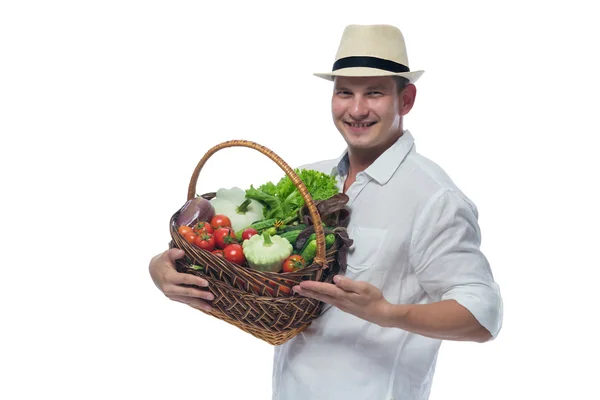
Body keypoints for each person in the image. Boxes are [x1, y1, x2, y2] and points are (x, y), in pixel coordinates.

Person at [149, 24, 503, 400]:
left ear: (406, 100)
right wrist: (166, 267)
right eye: (344, 92)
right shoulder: (309, 178)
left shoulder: (434, 198)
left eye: (375, 93)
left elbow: (483, 316)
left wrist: (386, 312)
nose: (356, 109)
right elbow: (242, 253)